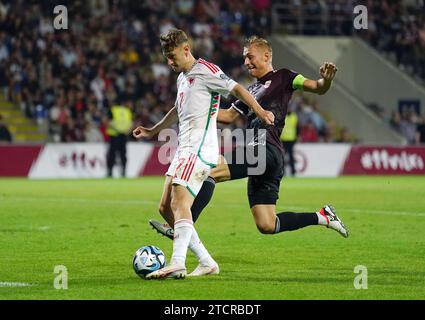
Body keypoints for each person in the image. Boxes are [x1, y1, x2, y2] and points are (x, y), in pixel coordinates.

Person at [150, 36, 348, 245]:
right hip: (265, 157)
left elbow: (317, 87)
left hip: (265, 149)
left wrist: (326, 80)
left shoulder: (285, 76)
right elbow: (227, 117)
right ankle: (323, 216)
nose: (246, 62)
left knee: (207, 170)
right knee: (267, 224)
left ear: (267, 55)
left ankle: (179, 229)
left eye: (250, 57)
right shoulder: (251, 91)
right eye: (244, 58)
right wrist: (195, 106)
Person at [132, 29, 274, 279]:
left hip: (199, 148)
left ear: (186, 50)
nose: (169, 62)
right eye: (166, 57)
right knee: (165, 207)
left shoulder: (206, 70)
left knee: (180, 201)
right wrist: (154, 130)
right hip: (183, 147)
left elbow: (238, 89)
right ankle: (207, 262)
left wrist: (260, 111)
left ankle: (177, 262)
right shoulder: (182, 78)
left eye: (172, 56)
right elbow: (177, 110)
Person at [106, 102, 133, 177]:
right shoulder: (127, 111)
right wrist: (127, 130)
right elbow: (131, 123)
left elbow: (109, 122)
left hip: (114, 134)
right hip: (123, 135)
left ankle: (110, 172)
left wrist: (118, 129)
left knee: (112, 154)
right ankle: (123, 172)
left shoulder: (113, 110)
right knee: (123, 154)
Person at [280, 110, 298, 176]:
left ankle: (291, 172)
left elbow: (297, 127)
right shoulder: (293, 116)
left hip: (290, 139)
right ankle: (288, 171)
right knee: (287, 156)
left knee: (288, 156)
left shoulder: (292, 116)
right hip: (285, 139)